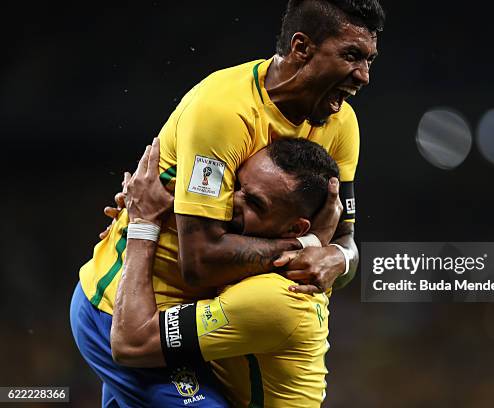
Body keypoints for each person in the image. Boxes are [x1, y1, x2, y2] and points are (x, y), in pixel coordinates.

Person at [73, 0, 385, 405]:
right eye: (351, 55)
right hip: (130, 312)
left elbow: (345, 244)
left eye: (369, 59)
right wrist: (306, 247)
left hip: (206, 323)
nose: (363, 75)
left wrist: (338, 259)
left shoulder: (342, 125)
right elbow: (200, 261)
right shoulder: (223, 110)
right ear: (301, 48)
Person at [111, 137, 340, 407]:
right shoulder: (295, 262)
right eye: (236, 184)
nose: (230, 200)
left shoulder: (273, 297)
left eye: (254, 203)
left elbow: (132, 343)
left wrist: (142, 225)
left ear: (294, 229)